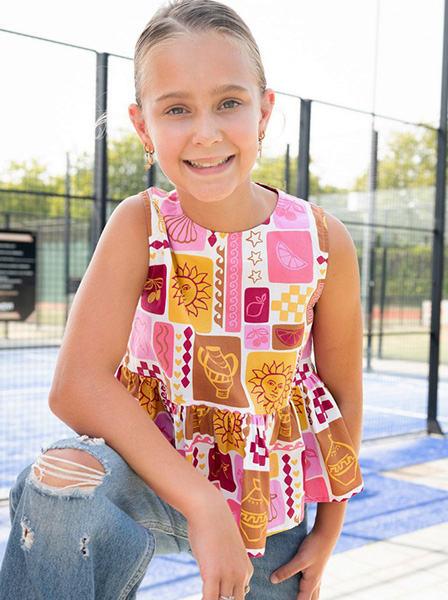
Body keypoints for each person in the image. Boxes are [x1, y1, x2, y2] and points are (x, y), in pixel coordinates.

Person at [0, 1, 364, 599]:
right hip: (147, 475)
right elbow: (75, 386)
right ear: (143, 126)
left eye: (229, 103)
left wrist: (328, 530)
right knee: (58, 480)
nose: (206, 132)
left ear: (263, 110)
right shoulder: (140, 224)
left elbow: (342, 395)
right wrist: (201, 502)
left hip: (266, 501)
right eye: (176, 109)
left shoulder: (323, 240)